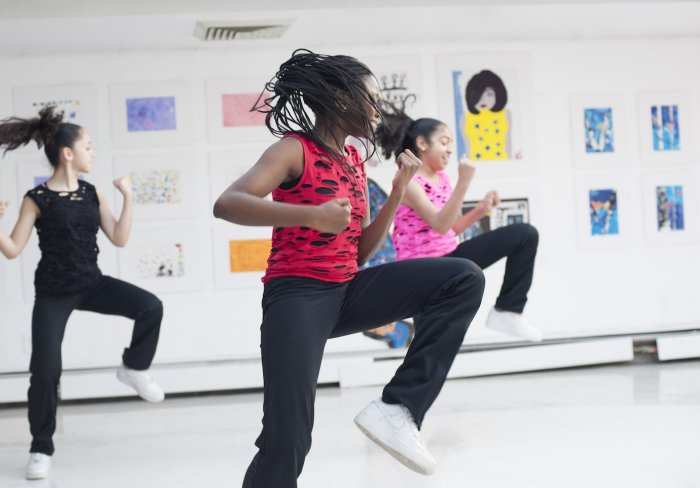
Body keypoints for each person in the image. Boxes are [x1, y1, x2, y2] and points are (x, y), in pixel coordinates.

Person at [213, 49, 485, 488]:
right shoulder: (293, 150)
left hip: (346, 288)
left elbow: (358, 253)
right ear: (342, 101)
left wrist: (396, 192)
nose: (377, 111)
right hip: (297, 296)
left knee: (462, 277)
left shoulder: (352, 161)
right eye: (371, 99)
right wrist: (311, 215)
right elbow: (227, 204)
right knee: (289, 437)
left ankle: (397, 408)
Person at [0, 107, 165, 480]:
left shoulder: (93, 193)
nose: (93, 153)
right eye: (88, 147)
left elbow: (119, 238)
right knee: (44, 371)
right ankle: (41, 448)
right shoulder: (36, 198)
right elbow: (12, 248)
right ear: (68, 153)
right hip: (54, 293)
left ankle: (134, 368)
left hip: (92, 283)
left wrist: (128, 197)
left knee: (151, 307)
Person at [372, 101, 541, 342]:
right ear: (422, 143)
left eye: (451, 143)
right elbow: (440, 224)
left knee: (524, 234)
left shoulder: (441, 177)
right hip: (422, 270)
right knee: (430, 343)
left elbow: (449, 229)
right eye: (444, 142)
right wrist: (464, 181)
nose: (450, 149)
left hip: (448, 257)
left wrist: (481, 210)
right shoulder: (410, 182)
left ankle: (507, 311)